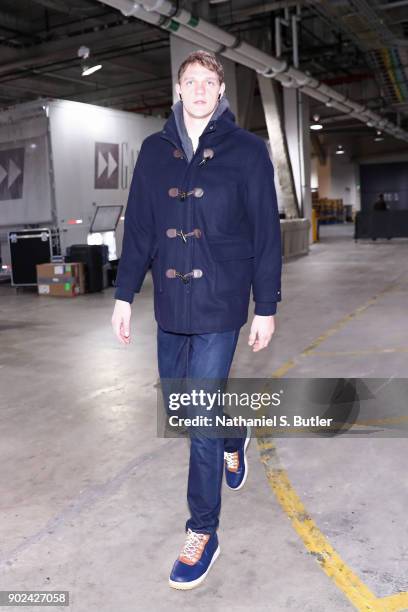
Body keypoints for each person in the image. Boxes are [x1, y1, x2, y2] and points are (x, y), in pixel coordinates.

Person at [111, 50, 282, 590]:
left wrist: (267, 305)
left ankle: (202, 530)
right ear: (179, 89)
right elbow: (138, 227)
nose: (201, 89)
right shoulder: (155, 151)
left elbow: (265, 235)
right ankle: (237, 435)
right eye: (192, 80)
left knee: (198, 421)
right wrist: (122, 295)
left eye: (210, 81)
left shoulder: (248, 151)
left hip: (221, 302)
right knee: (183, 409)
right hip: (170, 304)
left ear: (221, 91)